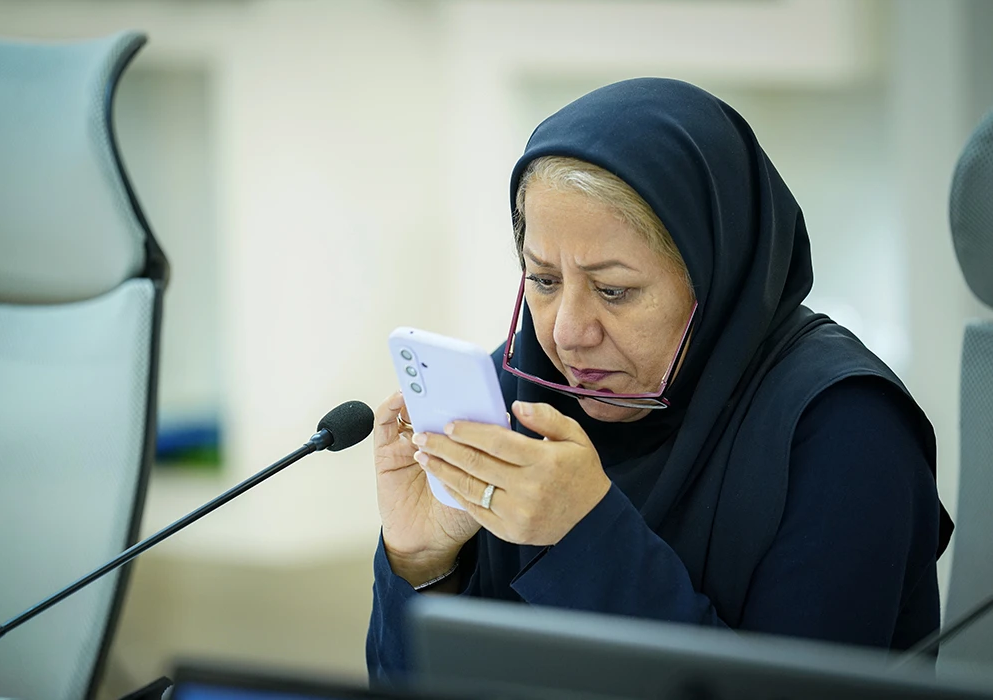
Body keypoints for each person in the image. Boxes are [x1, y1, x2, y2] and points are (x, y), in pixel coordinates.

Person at [366, 78, 954, 684]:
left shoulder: (846, 429)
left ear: (715, 275)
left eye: (613, 290)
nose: (568, 334)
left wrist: (585, 538)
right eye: (543, 280)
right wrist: (421, 564)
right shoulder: (522, 387)